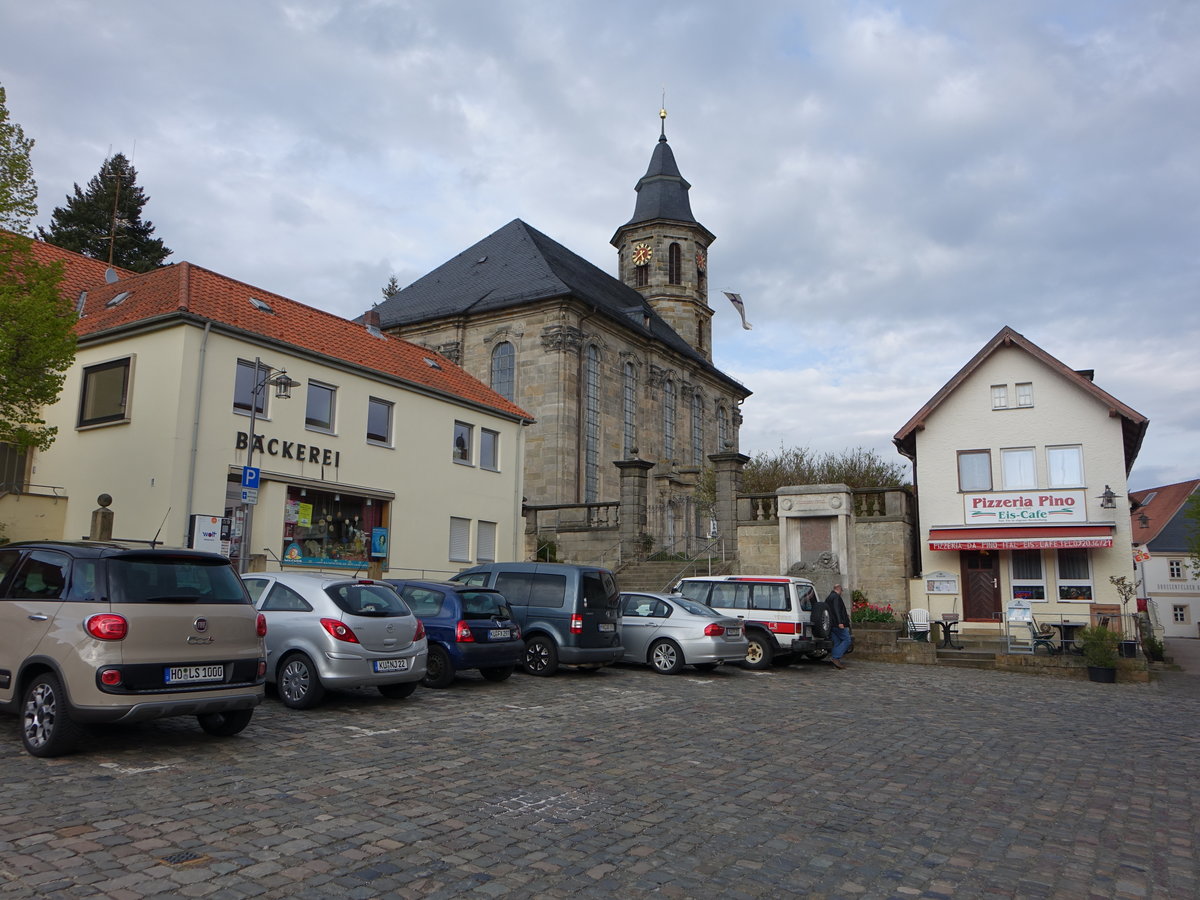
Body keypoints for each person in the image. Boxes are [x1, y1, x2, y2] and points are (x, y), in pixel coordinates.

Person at [826, 583, 851, 669]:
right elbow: (837, 610)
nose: (842, 592)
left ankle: (835, 658)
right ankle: (835, 657)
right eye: (842, 590)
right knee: (847, 639)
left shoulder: (829, 597)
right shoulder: (836, 597)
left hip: (831, 624)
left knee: (836, 642)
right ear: (839, 589)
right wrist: (840, 622)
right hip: (837, 624)